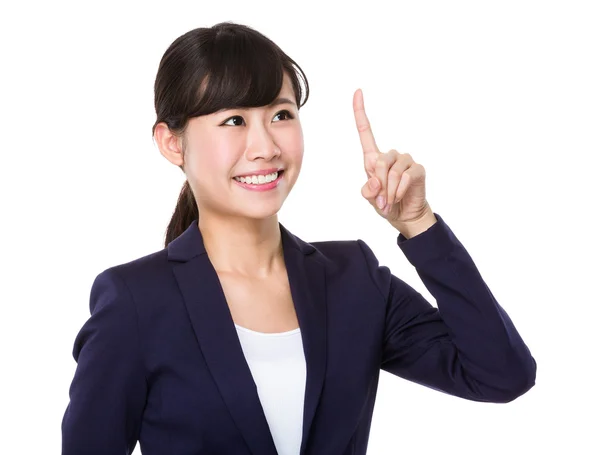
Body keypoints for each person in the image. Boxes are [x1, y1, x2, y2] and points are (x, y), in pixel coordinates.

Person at [61, 21, 536, 455]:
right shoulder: (135, 303)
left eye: (281, 115)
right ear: (171, 142)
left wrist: (419, 224)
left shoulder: (355, 281)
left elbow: (501, 374)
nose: (266, 146)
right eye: (233, 120)